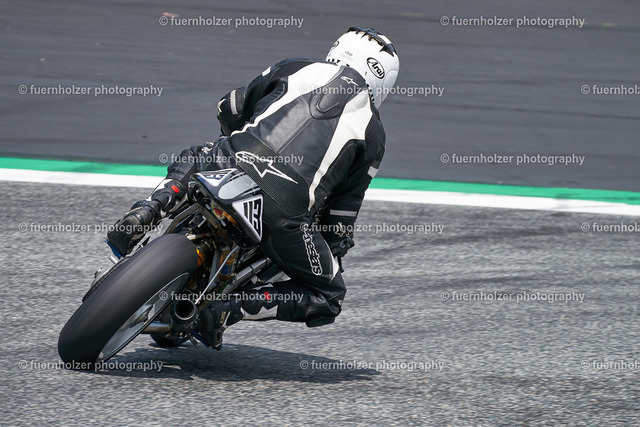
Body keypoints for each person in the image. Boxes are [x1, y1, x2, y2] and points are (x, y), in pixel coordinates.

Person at [107, 27, 399, 349]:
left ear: (337, 50)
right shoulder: (374, 135)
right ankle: (225, 309)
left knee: (198, 155)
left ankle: (148, 210)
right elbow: (341, 214)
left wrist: (236, 135)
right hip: (284, 208)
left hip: (229, 160)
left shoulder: (296, 66)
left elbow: (231, 106)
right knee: (328, 295)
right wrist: (334, 248)